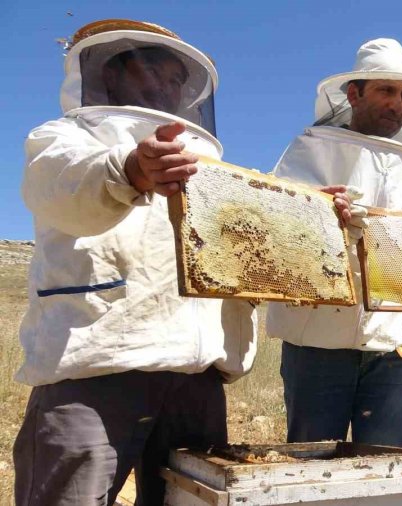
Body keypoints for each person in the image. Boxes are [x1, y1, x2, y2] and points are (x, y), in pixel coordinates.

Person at [11, 19, 258, 505]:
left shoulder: (208, 163)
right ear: (110, 75)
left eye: (173, 79)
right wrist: (126, 168)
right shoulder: (66, 138)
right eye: (151, 71)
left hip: (196, 375)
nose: (164, 86)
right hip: (97, 365)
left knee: (191, 499)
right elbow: (57, 184)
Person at [269, 38, 402, 448]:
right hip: (318, 341)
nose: (398, 104)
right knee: (312, 462)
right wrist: (325, 218)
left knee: (387, 463)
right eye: (386, 91)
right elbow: (274, 223)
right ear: (354, 93)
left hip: (395, 344)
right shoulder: (310, 150)